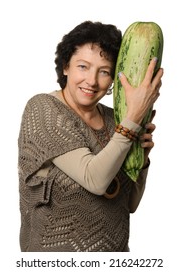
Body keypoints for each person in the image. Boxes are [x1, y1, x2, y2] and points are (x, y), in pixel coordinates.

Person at [18, 21, 163, 252]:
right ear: (66, 66)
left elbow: (129, 204)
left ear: (115, 78)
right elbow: (94, 180)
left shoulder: (116, 119)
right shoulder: (43, 108)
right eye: (83, 66)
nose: (92, 81)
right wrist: (133, 119)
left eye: (104, 71)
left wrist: (141, 160)